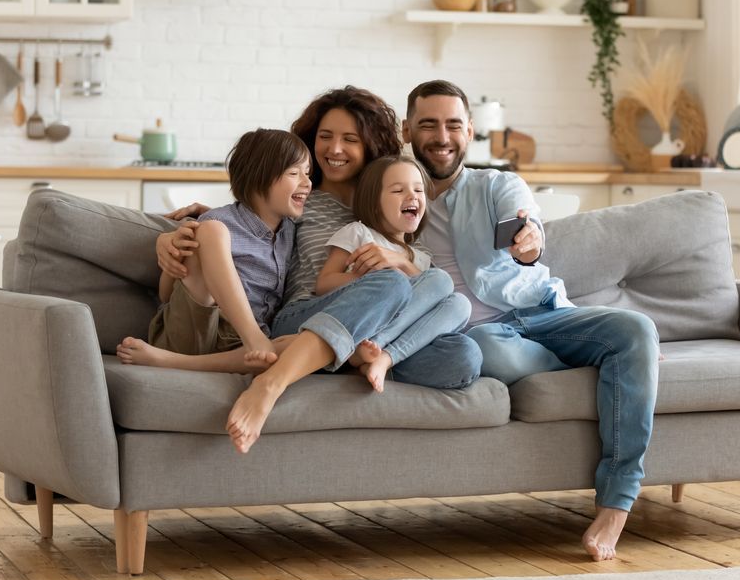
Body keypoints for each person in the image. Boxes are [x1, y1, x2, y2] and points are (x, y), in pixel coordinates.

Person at [132, 86, 483, 454]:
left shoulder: (391, 211)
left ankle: (358, 356)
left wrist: (400, 258)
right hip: (304, 317)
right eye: (325, 137)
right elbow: (244, 216)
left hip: (375, 332)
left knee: (463, 358)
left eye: (350, 139)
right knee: (390, 285)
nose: (334, 149)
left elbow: (425, 279)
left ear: (371, 146)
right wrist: (169, 237)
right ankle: (282, 378)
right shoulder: (301, 203)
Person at [399, 79, 660, 562]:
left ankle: (618, 500)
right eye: (429, 124)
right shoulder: (394, 195)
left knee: (636, 329)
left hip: (541, 314)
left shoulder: (495, 184)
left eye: (454, 125)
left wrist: (529, 242)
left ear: (470, 130)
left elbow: (527, 224)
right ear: (407, 128)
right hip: (478, 334)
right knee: (486, 350)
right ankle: (613, 367)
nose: (442, 136)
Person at [117, 128, 311, 374]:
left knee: (304, 343)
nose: (307, 182)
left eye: (307, 173)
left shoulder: (291, 231)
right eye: (295, 173)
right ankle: (250, 336)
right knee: (212, 231)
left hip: (242, 348)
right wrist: (176, 256)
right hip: (195, 328)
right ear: (257, 178)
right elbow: (166, 295)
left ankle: (169, 362)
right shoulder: (215, 223)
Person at [316, 155, 471, 392]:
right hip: (363, 324)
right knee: (439, 280)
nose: (412, 196)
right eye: (398, 190)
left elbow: (433, 299)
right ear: (375, 202)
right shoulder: (359, 233)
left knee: (460, 302)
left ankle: (383, 358)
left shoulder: (421, 257)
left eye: (418, 190)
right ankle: (367, 351)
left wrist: (402, 262)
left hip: (399, 339)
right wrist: (366, 279)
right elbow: (323, 284)